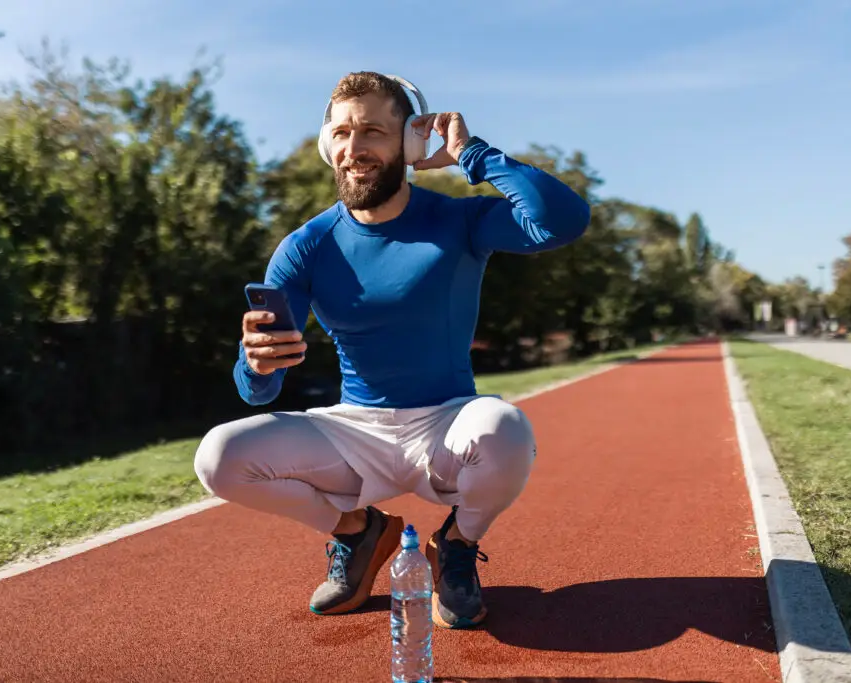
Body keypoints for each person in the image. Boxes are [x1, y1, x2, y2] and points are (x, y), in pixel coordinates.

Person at [193, 71, 590, 629]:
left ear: (410, 142)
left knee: (506, 427)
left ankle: (455, 544)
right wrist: (255, 363)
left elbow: (562, 220)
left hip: (447, 425)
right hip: (353, 431)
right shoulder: (305, 247)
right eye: (342, 133)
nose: (354, 149)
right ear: (325, 145)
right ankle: (357, 533)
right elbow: (259, 389)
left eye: (374, 132)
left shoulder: (457, 220)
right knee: (218, 456)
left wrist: (472, 153)